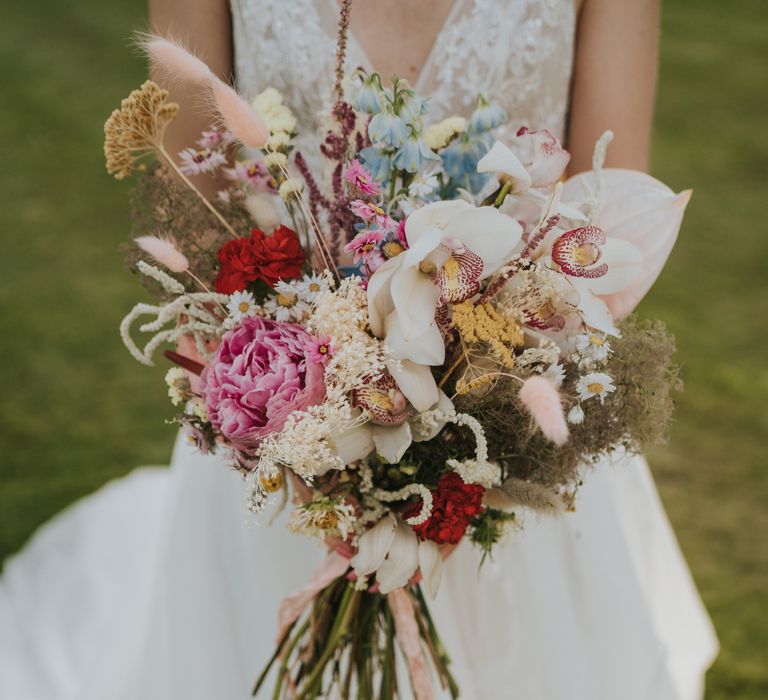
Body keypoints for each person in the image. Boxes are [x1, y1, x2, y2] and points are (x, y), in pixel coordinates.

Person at [0, 1, 718, 698]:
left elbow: (611, 208)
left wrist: (471, 426)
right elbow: (194, 187)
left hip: (511, 401)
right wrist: (311, 429)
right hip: (287, 414)